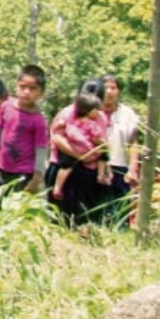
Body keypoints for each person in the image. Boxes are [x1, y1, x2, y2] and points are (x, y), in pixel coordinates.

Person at [49, 86, 110, 224]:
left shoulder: (97, 118)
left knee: (85, 209)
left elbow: (100, 138)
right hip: (71, 156)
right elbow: (56, 137)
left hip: (89, 166)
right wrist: (80, 155)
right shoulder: (67, 114)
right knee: (64, 207)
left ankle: (101, 175)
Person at [0, 65, 49, 193]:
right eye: (23, 87)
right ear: (16, 86)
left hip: (24, 172)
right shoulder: (6, 106)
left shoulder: (38, 121)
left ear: (41, 92)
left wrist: (36, 179)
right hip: (3, 167)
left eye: (32, 89)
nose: (26, 92)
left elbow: (41, 151)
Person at [99, 75, 140, 224]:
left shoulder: (127, 114)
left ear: (119, 91)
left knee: (119, 211)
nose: (109, 92)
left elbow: (133, 143)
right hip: (95, 167)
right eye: (105, 88)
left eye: (113, 88)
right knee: (97, 209)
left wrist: (133, 168)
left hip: (120, 168)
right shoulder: (92, 111)